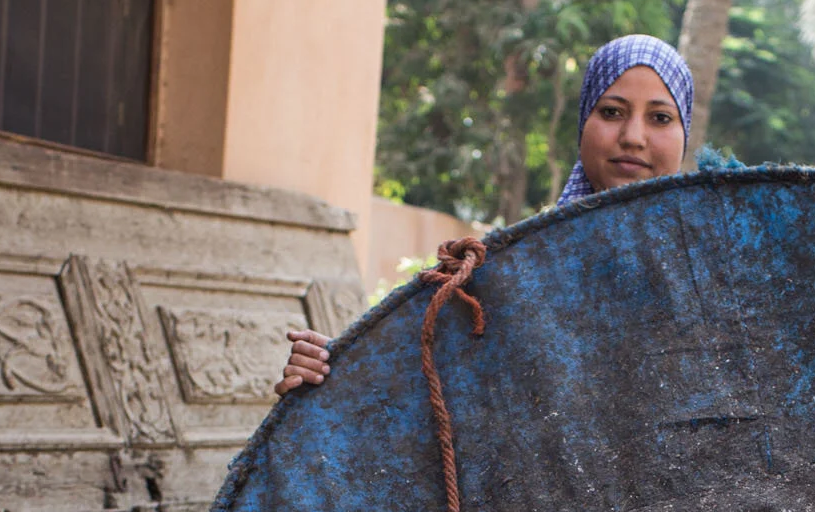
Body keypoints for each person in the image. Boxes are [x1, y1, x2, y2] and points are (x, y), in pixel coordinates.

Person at [274, 35, 695, 395]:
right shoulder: (512, 271)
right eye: (612, 112)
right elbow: (427, 379)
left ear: (684, 132)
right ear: (583, 122)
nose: (633, 137)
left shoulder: (716, 273)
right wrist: (335, 371)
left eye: (660, 118)